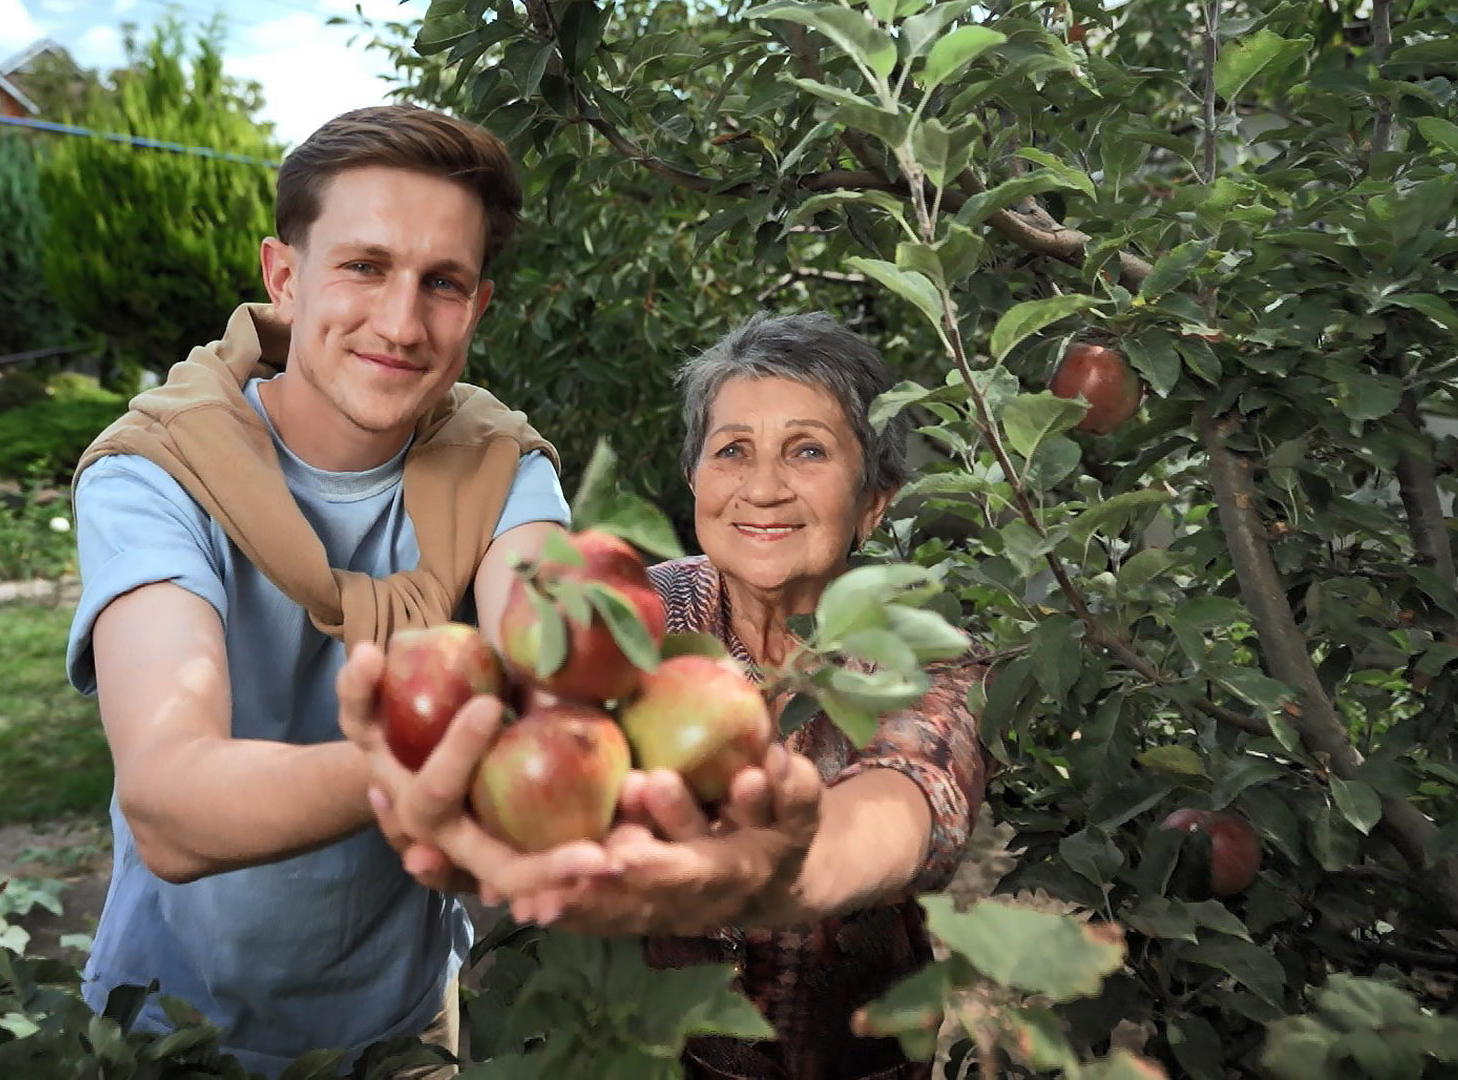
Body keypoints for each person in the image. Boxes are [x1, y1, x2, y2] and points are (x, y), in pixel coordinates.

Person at [63, 104, 613, 1076]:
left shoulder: (502, 469)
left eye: (441, 283)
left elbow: (548, 658)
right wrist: (425, 767)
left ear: (476, 307)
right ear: (284, 275)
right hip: (174, 1030)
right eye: (365, 266)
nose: (402, 324)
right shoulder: (155, 474)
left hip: (404, 1030)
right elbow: (167, 800)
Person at [342, 311, 989, 1079]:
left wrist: (786, 872)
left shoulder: (921, 650)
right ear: (694, 480)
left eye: (807, 450)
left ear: (874, 499)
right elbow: (531, 727)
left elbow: (912, 799)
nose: (763, 487)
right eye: (732, 451)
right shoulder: (630, 621)